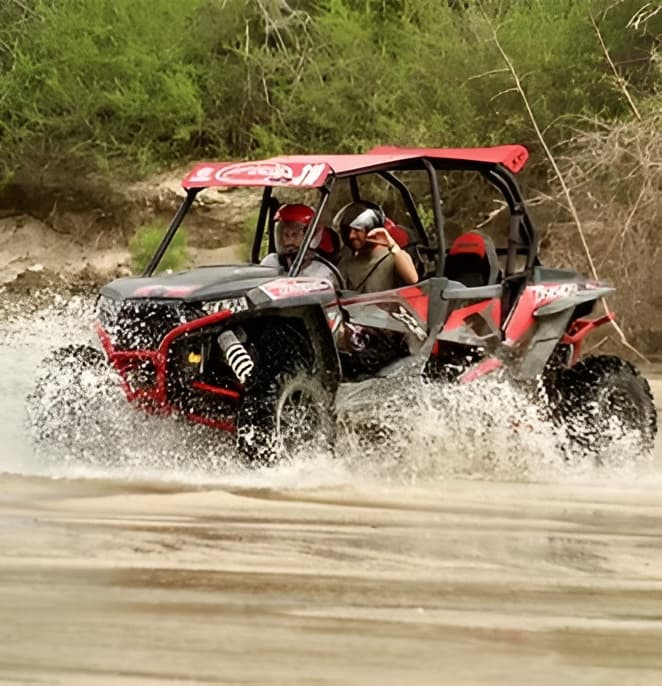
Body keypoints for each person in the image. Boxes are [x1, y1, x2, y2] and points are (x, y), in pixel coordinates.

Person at [334, 202, 418, 293]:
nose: (351, 236)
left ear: (372, 228)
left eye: (357, 230)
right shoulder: (347, 264)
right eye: (348, 231)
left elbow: (412, 279)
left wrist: (392, 245)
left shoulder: (394, 257)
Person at [260, 203, 340, 287]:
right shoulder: (270, 263)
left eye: (295, 233)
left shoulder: (323, 274)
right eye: (284, 231)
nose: (289, 237)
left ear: (312, 235)